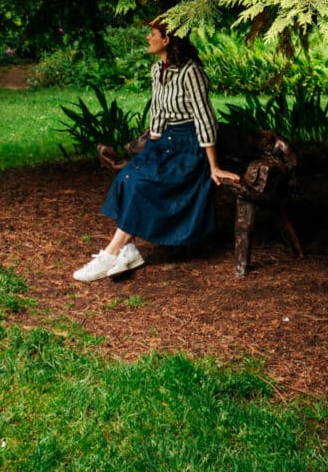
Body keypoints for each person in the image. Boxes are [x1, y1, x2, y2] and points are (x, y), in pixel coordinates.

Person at [73, 21, 239, 282]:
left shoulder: (190, 72)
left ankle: (110, 253)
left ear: (167, 39)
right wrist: (151, 150)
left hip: (189, 148)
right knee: (128, 177)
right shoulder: (157, 70)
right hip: (165, 144)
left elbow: (205, 119)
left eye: (153, 34)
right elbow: (159, 114)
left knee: (140, 183)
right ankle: (128, 250)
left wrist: (213, 166)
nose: (148, 37)